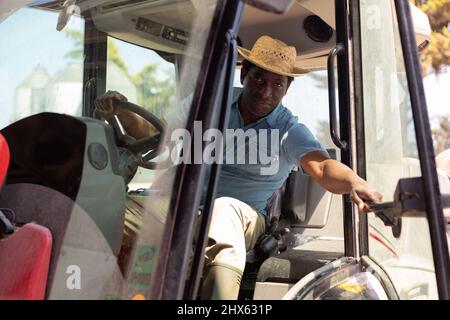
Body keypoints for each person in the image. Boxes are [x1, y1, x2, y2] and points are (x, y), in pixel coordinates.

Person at [95, 35, 382, 300]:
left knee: (223, 210)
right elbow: (159, 137)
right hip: (186, 208)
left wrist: (354, 181)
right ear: (245, 75)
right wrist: (121, 112)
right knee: (110, 210)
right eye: (259, 80)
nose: (266, 91)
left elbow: (322, 166)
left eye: (277, 84)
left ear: (287, 88)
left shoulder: (287, 130)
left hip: (243, 218)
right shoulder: (209, 104)